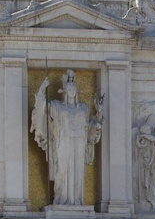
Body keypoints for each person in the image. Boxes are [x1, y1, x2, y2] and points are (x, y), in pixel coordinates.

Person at [30, 69, 103, 206]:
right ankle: (61, 198)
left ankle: (76, 200)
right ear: (64, 91)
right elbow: (42, 110)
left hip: (79, 143)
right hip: (63, 142)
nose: (71, 91)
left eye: (73, 88)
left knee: (78, 171)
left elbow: (89, 129)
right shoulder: (57, 107)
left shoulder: (84, 108)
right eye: (69, 88)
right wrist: (41, 92)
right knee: (62, 169)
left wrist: (98, 120)